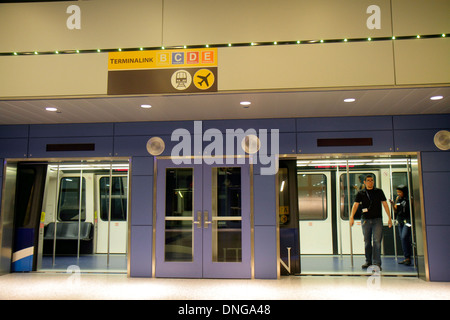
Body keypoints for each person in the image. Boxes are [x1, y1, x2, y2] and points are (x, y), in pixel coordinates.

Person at [350, 174, 392, 270]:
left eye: (372, 180)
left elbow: (385, 204)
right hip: (365, 220)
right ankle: (368, 261)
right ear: (364, 182)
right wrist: (351, 217)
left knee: (377, 241)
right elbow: (355, 205)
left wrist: (389, 218)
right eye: (368, 180)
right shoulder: (361, 193)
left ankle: (377, 263)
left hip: (377, 220)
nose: (370, 182)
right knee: (367, 241)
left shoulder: (379, 192)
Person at [390, 185, 412, 266]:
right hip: (400, 221)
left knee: (404, 236)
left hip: (408, 221)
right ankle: (406, 257)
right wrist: (392, 204)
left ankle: (408, 257)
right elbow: (395, 210)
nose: (398, 194)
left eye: (400, 192)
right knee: (403, 239)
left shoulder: (409, 199)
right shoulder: (398, 199)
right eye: (397, 192)